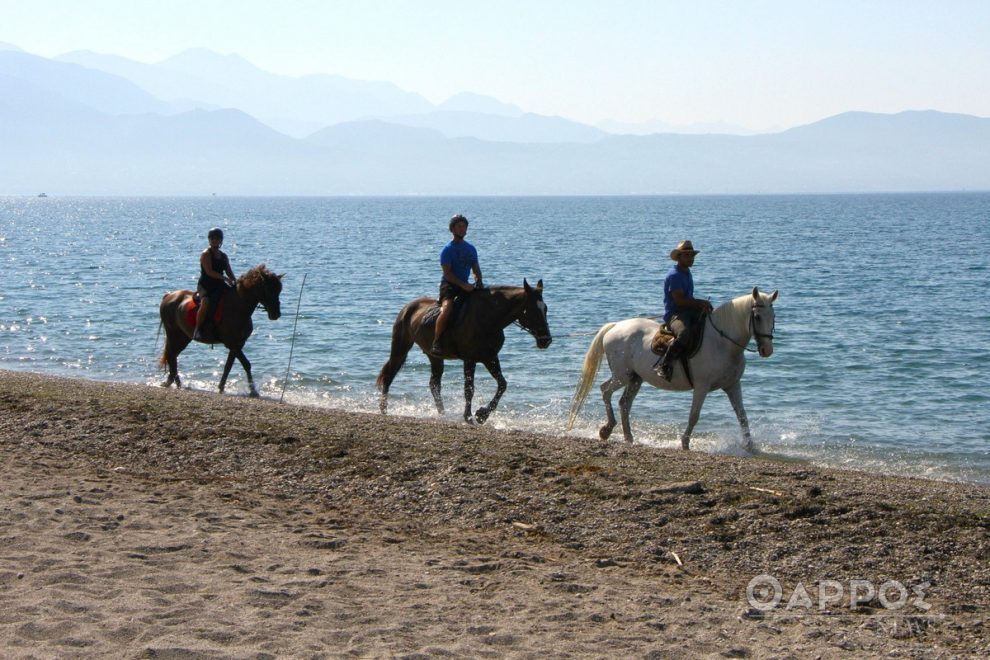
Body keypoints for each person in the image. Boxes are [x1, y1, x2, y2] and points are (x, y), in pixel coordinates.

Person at [655, 240, 713, 381]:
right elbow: (680, 301)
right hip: (676, 314)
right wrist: (700, 303)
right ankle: (665, 364)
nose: (690, 258)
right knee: (684, 333)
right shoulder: (675, 275)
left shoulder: (686, 272)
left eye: (692, 255)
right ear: (679, 257)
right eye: (687, 255)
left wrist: (702, 306)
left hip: (687, 311)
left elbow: (688, 299)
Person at [431, 214, 483, 356]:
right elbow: (447, 274)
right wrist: (463, 285)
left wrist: (479, 280)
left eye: (464, 226)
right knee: (447, 309)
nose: (462, 229)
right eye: (459, 226)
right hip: (449, 286)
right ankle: (437, 341)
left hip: (465, 285)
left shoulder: (471, 249)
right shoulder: (447, 250)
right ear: (452, 229)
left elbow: (476, 268)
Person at [194, 227, 236, 341]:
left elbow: (229, 271)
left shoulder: (223, 256)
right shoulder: (206, 254)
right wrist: (225, 278)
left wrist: (235, 281)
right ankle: (197, 329)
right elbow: (209, 272)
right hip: (206, 285)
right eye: (212, 239)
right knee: (206, 302)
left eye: (217, 239)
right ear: (209, 240)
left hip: (219, 285)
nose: (215, 241)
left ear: (221, 241)